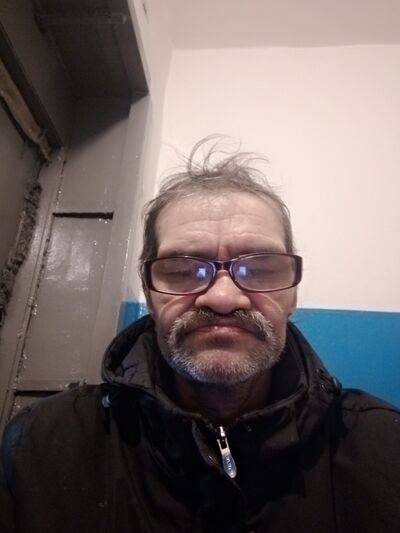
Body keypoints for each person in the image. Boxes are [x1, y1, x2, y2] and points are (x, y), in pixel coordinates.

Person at [1, 138, 399, 533]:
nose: (223, 298)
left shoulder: (383, 448)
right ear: (150, 293)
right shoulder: (42, 446)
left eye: (260, 269)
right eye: (182, 270)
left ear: (292, 294)